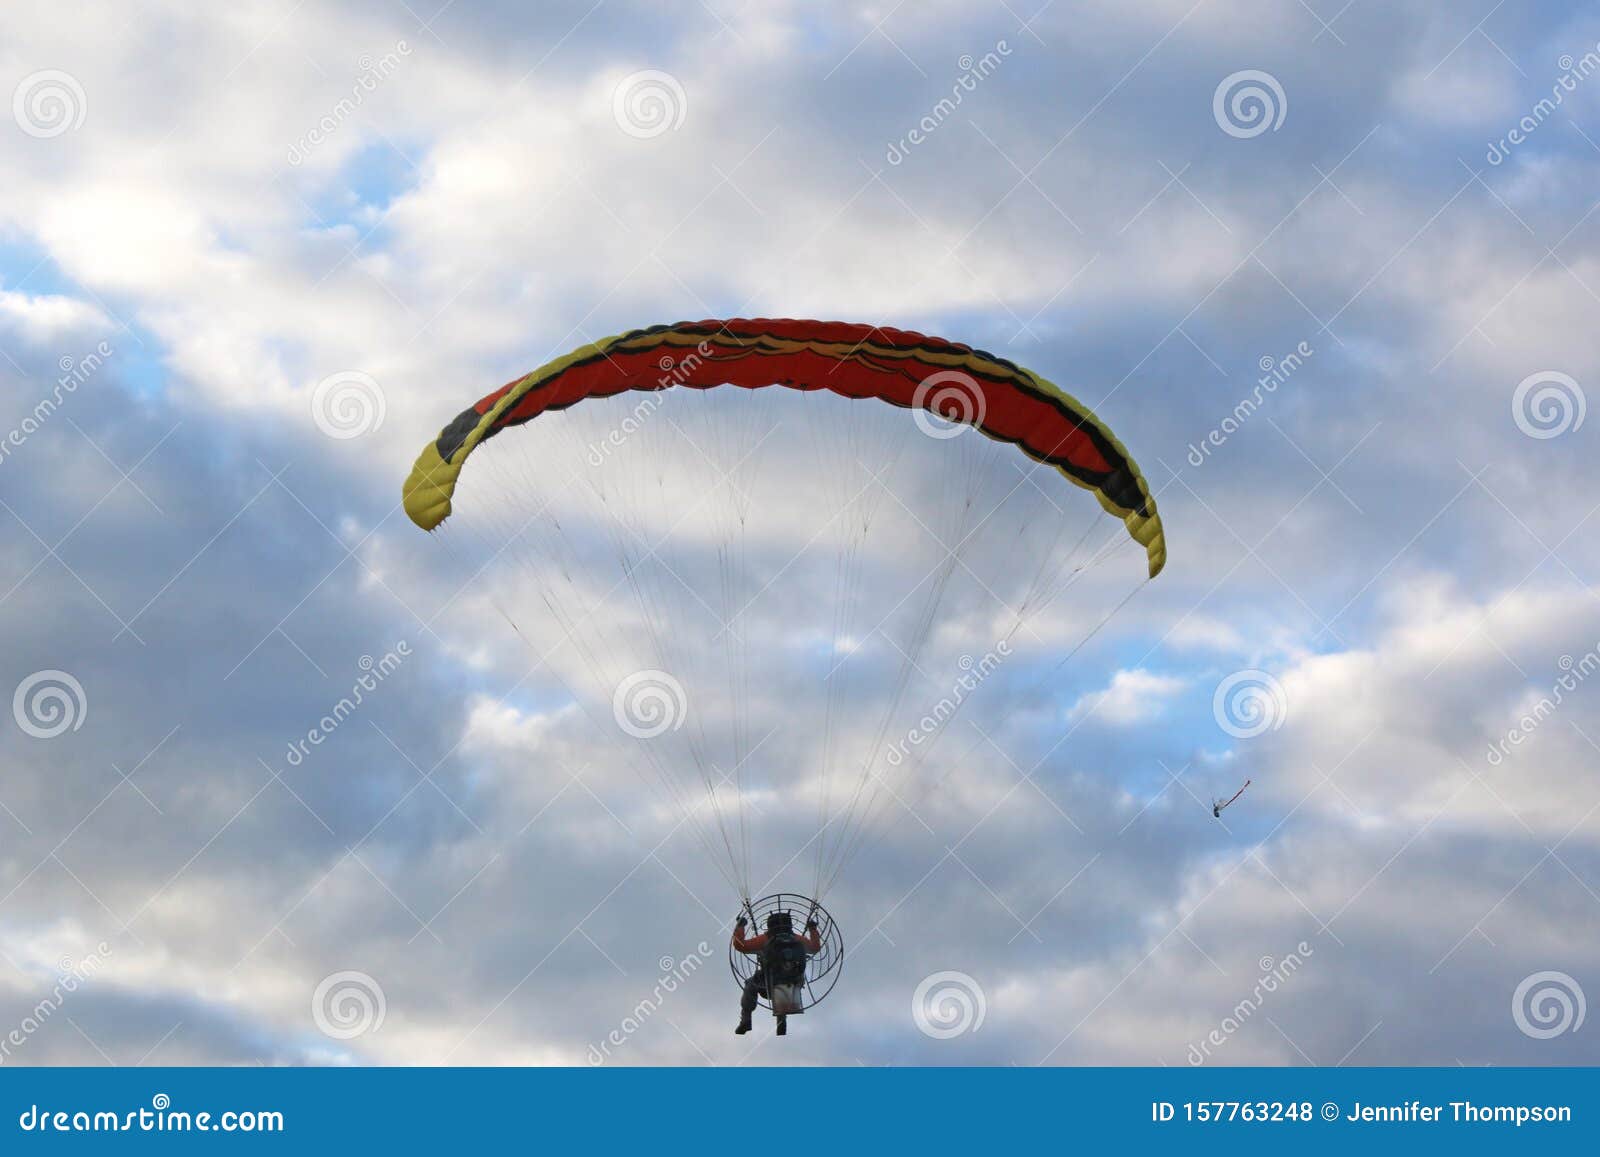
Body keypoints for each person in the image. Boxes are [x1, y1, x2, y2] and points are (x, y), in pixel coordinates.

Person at [732, 910, 821, 1036]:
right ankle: (781, 1017)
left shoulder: (765, 939)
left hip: (767, 984)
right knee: (783, 983)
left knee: (750, 984)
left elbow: (740, 945)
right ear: (790, 925)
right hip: (794, 982)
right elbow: (815, 947)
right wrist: (812, 929)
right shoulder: (798, 939)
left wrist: (740, 926)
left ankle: (746, 1019)